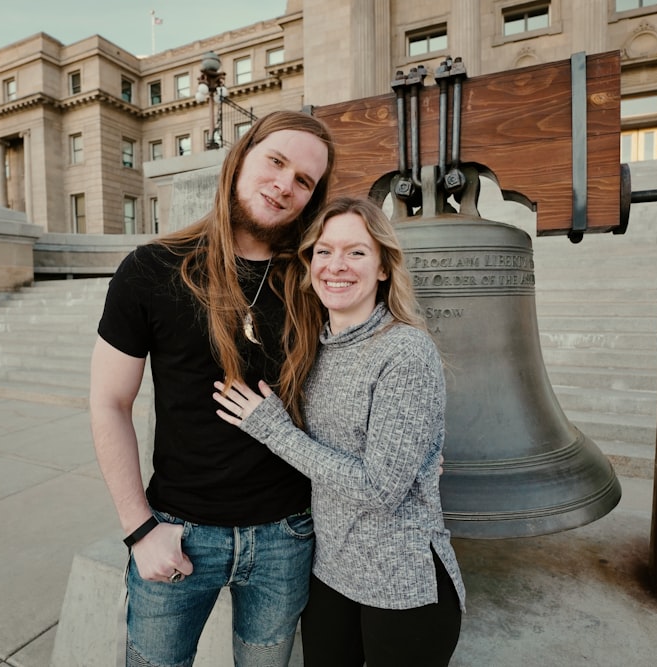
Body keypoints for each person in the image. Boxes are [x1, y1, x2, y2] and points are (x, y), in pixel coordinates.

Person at [89, 110, 335, 666]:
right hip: (178, 533)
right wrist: (139, 530)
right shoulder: (151, 269)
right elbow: (109, 403)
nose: (284, 185)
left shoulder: (315, 279)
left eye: (304, 180)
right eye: (276, 162)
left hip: (286, 537)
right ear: (241, 157)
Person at [213, 196, 466, 666]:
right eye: (323, 251)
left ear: (384, 267)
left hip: (401, 580)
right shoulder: (315, 347)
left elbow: (380, 488)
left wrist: (275, 431)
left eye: (356, 252)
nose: (336, 266)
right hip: (330, 572)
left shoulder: (405, 352)